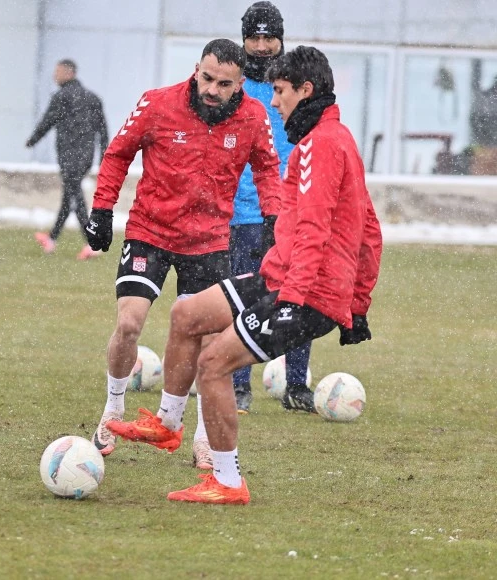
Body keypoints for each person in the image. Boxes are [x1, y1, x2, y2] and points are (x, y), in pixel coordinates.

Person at [108, 46, 382, 504]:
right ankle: (168, 422)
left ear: (305, 90)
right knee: (187, 314)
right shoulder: (334, 138)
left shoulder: (322, 145)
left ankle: (228, 481)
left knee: (214, 365)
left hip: (304, 292)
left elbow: (317, 230)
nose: (274, 103)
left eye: (279, 92)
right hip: (281, 278)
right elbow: (370, 228)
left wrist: (301, 301)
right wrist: (358, 305)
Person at [85, 38, 282, 457]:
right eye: (206, 78)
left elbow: (267, 167)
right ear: (196, 69)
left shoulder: (254, 116)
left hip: (209, 241)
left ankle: (201, 437)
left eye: (223, 84)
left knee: (210, 342)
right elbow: (118, 154)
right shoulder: (157, 103)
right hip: (150, 231)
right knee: (129, 324)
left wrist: (273, 220)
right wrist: (102, 209)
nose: (212, 89)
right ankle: (112, 406)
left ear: (240, 82)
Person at [230, 3, 315, 414]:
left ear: (282, 37)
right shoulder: (233, 84)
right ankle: (238, 385)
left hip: (291, 211)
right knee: (244, 298)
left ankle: (297, 386)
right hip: (241, 213)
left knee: (296, 294)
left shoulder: (296, 83)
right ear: (244, 38)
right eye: (255, 37)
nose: (262, 46)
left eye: (270, 37)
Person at [26, 59, 109, 261]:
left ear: (68, 72)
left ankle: (92, 242)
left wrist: (32, 141)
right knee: (69, 196)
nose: (55, 76)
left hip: (69, 155)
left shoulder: (62, 96)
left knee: (76, 198)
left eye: (58, 71)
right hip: (85, 156)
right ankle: (52, 238)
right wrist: (104, 157)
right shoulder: (93, 98)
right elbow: (103, 130)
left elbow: (48, 120)